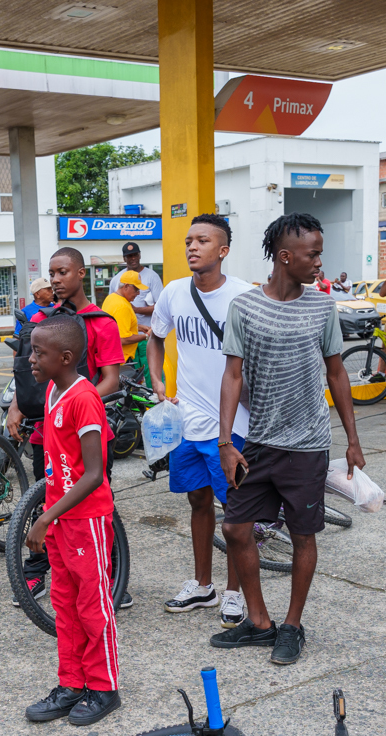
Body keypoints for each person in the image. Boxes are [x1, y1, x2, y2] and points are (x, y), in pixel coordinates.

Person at [215, 213, 364, 665]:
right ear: (285, 257)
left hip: (307, 444)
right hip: (259, 440)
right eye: (313, 253)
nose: (320, 261)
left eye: (320, 252)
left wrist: (352, 438)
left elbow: (336, 373)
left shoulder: (322, 306)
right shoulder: (244, 307)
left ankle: (292, 626)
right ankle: (260, 622)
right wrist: (226, 442)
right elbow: (232, 376)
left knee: (303, 536)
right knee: (236, 528)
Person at [147, 213, 254, 625]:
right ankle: (203, 586)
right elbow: (156, 337)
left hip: (233, 426)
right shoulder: (173, 292)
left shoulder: (243, 297)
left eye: (203, 241)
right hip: (186, 421)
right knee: (197, 501)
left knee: (237, 513)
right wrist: (158, 380)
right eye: (189, 240)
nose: (192, 246)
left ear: (223, 250)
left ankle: (234, 593)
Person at [5, 247, 124, 606]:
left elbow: (111, 381)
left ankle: (111, 574)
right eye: (51, 274)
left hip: (85, 431)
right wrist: (16, 405)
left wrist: (71, 405)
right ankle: (37, 570)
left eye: (63, 272)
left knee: (94, 503)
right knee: (45, 501)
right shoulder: (46, 320)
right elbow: (30, 374)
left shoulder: (100, 322)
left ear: (81, 274)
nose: (56, 280)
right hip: (47, 430)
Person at [22, 314, 120, 726]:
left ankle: (103, 688)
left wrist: (45, 517)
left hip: (86, 521)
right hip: (62, 519)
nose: (31, 359)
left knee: (92, 605)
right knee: (64, 604)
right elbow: (56, 464)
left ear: (64, 358)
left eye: (38, 353)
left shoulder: (83, 398)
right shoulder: (52, 390)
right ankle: (71, 682)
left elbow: (94, 473)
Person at [100, 272, 148, 367]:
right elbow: (122, 339)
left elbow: (117, 325)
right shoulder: (122, 306)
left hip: (111, 358)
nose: (138, 293)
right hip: (122, 361)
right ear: (126, 286)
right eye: (136, 289)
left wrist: (138, 328)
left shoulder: (111, 298)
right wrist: (146, 336)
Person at [118, 241, 163, 319]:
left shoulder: (152, 277)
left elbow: (161, 306)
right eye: (129, 256)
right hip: (125, 328)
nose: (133, 258)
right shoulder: (118, 278)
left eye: (135, 255)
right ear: (124, 259)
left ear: (140, 255)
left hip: (146, 329)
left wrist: (136, 310)